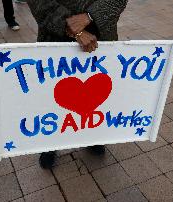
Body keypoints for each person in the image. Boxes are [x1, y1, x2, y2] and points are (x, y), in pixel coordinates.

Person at [27, 0, 128, 169]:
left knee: (96, 91)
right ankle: (50, 141)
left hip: (101, 33)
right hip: (55, 36)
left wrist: (91, 16)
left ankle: (92, 134)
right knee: (54, 94)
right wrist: (70, 26)